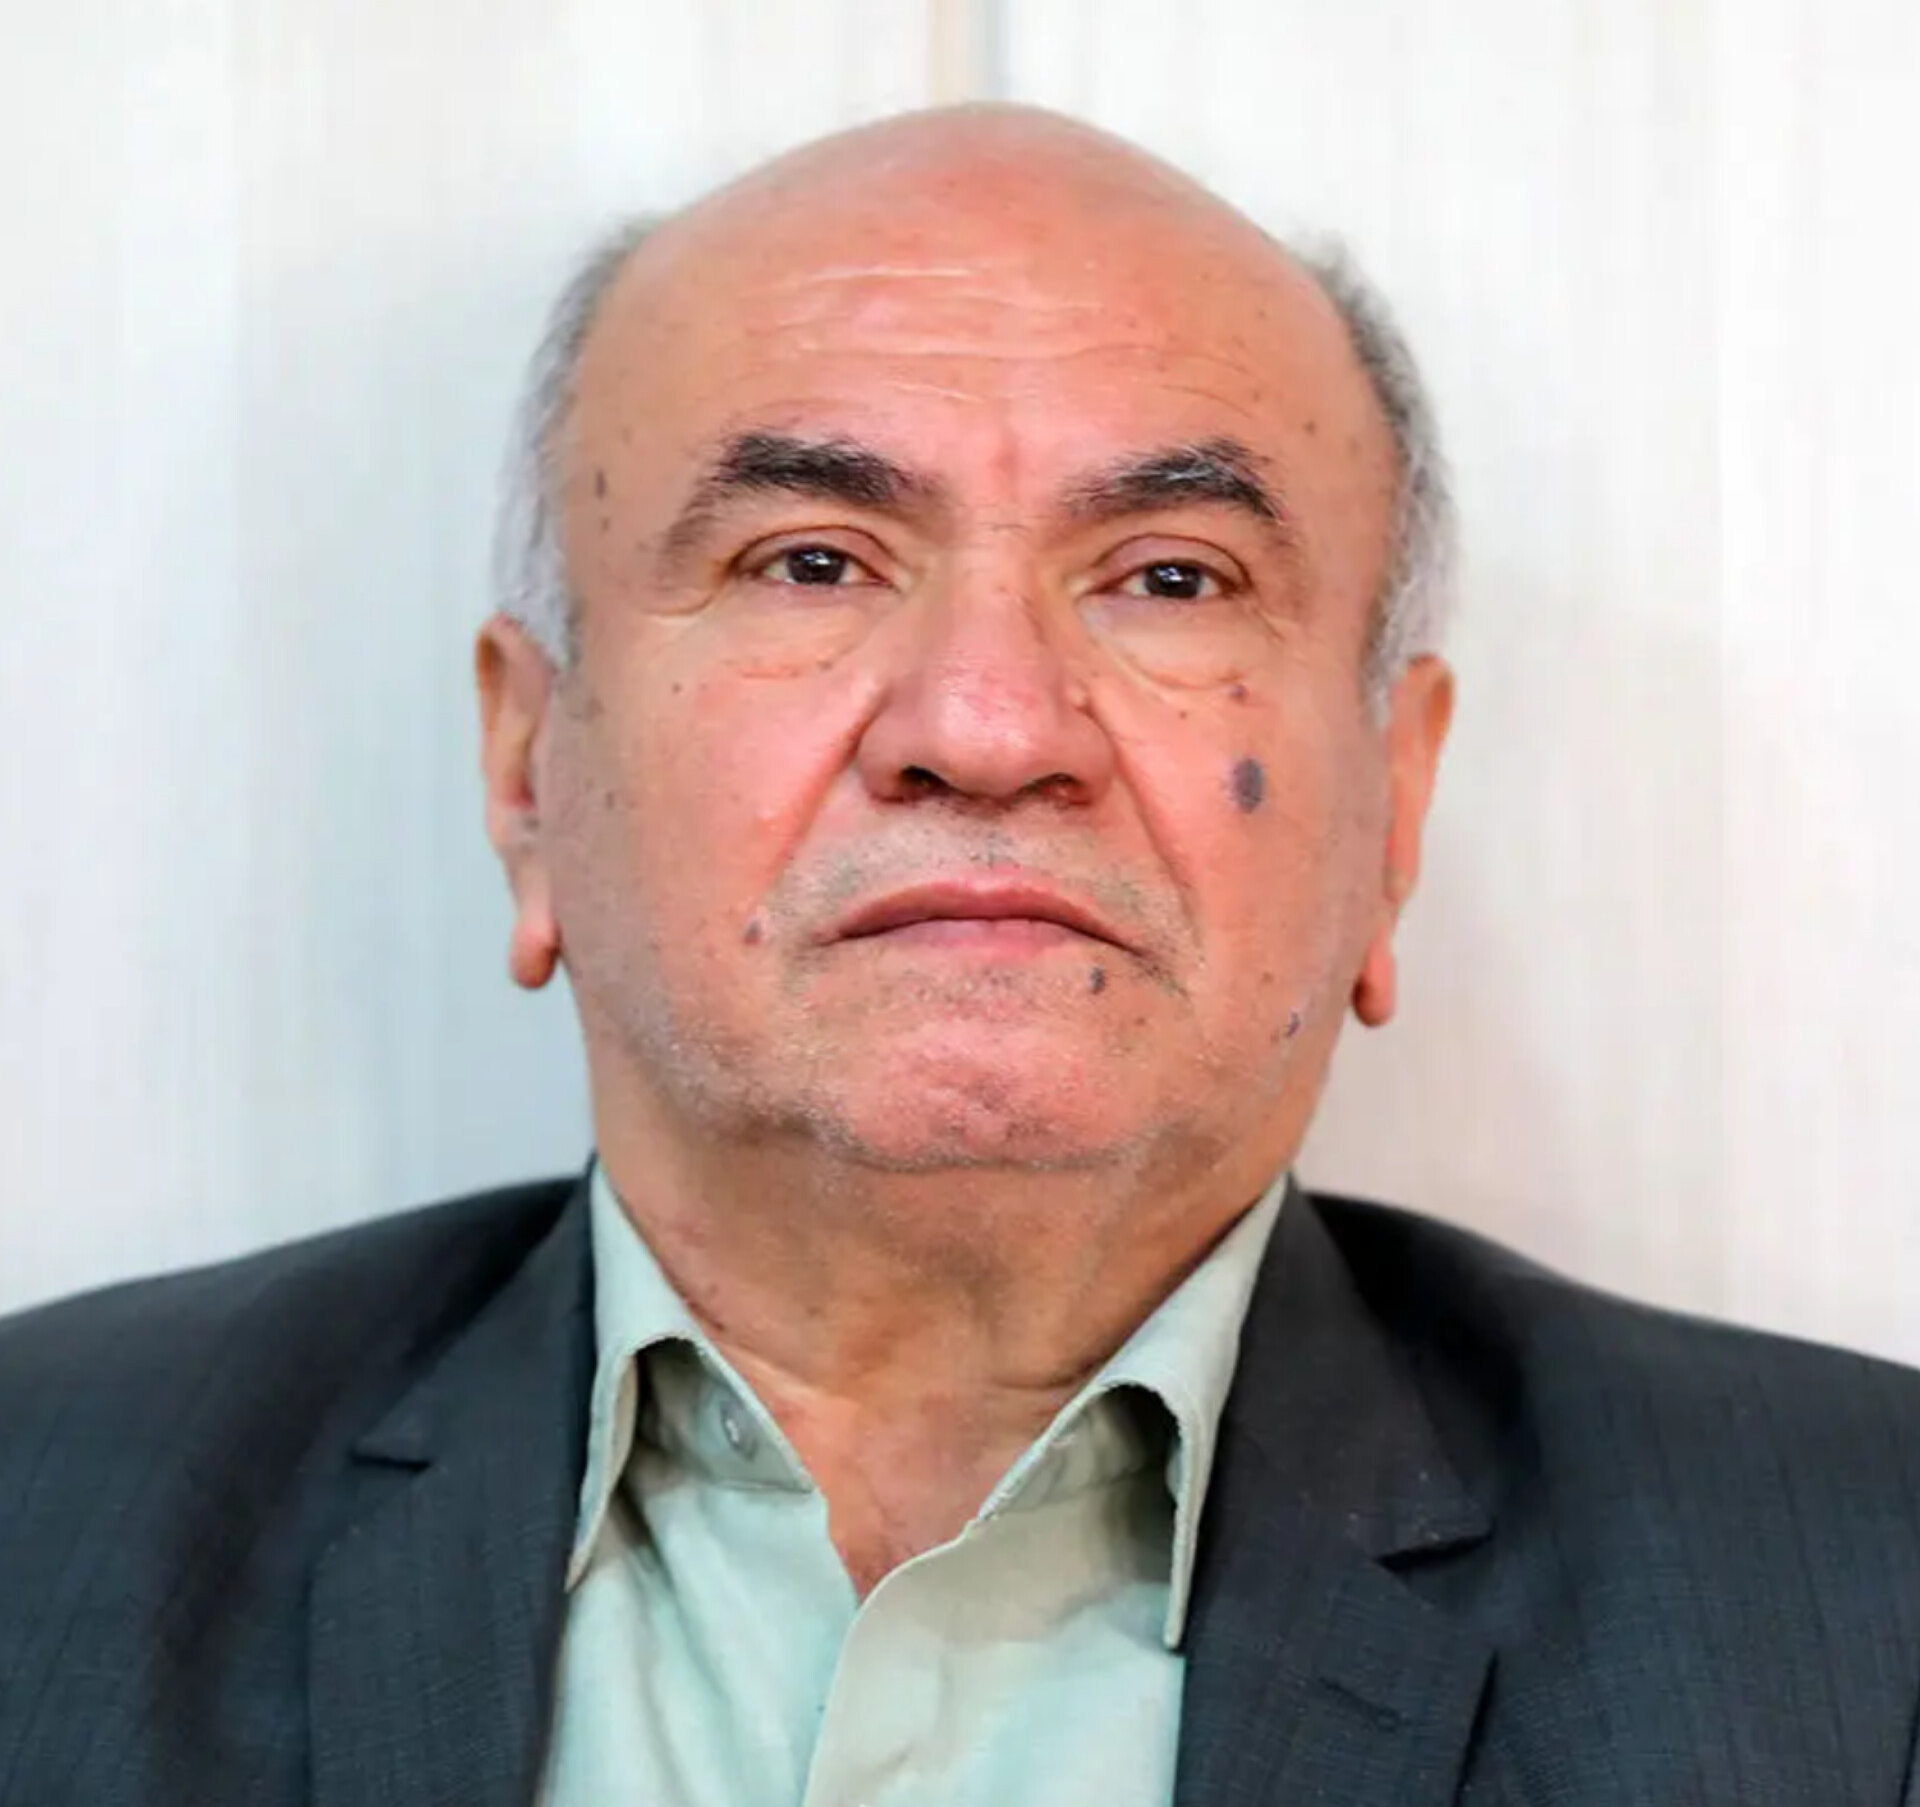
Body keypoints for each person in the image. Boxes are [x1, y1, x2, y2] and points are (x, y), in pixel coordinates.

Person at [1, 103, 1916, 1807]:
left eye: (1170, 578)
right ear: (528, 772)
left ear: (1395, 806)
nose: (990, 728)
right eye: (810, 560)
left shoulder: (1861, 1607)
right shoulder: (40, 1519)